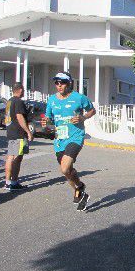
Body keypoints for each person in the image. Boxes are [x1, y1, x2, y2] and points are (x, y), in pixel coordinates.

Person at [41, 71, 96, 211]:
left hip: (75, 137)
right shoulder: (52, 100)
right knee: (68, 171)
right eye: (57, 83)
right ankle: (79, 187)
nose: (59, 85)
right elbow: (49, 119)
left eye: (62, 82)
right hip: (60, 140)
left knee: (64, 168)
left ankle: (79, 188)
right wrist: (46, 125)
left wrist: (83, 118)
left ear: (69, 83)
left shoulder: (79, 98)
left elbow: (92, 110)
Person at [4, 83, 33, 191]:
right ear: (20, 90)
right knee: (17, 157)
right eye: (24, 90)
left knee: (10, 157)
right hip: (18, 133)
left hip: (11, 132)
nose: (24, 92)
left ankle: (7, 182)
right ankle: (14, 182)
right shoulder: (18, 101)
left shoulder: (10, 101)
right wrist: (28, 131)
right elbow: (20, 117)